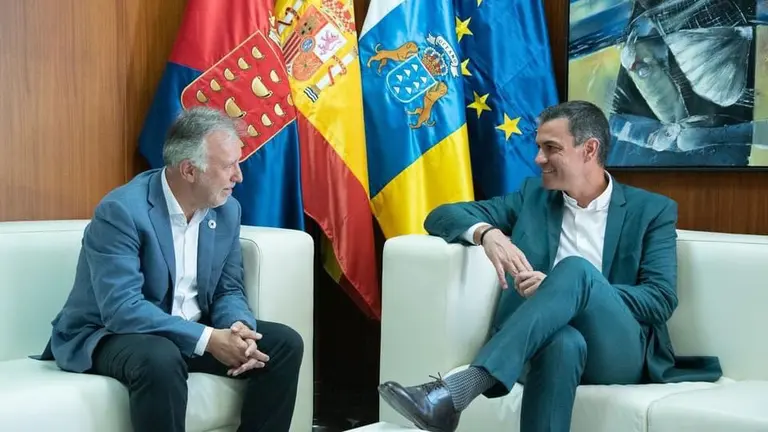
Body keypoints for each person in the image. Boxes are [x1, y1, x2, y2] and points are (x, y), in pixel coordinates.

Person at [377, 100, 722, 432]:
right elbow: (440, 215)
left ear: (589, 150)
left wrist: (578, 292)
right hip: (543, 339)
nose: (538, 158)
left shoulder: (652, 211)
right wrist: (487, 234)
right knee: (563, 342)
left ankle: (461, 387)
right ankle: (454, 395)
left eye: (551, 148)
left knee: (575, 271)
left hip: (618, 348)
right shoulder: (533, 197)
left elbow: (659, 299)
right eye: (538, 147)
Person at [40, 107, 303, 432]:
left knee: (283, 344)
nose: (239, 176)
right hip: (108, 333)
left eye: (238, 162)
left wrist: (238, 330)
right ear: (190, 170)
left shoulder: (226, 210)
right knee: (161, 357)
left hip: (187, 329)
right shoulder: (121, 212)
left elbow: (228, 289)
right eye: (228, 166)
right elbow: (122, 310)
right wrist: (207, 339)